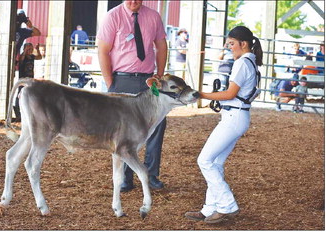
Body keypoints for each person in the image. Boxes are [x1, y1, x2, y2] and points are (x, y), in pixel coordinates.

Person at [185, 26, 263, 224]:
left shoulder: (242, 63)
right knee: (215, 162)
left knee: (204, 160)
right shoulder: (250, 63)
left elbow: (229, 94)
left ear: (242, 44)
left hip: (233, 117)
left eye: (231, 44)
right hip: (237, 116)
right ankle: (210, 209)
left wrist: (201, 94)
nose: (229, 48)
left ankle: (227, 205)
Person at [97, 0, 168, 192]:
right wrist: (111, 83)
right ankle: (125, 178)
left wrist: (159, 76)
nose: (133, 1)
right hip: (122, 79)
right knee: (123, 131)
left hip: (149, 80)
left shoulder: (153, 16)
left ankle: (152, 174)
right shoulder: (113, 16)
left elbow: (161, 46)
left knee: (158, 124)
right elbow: (103, 50)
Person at [0, 9, 40, 112]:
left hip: (11, 62)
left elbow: (37, 32)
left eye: (21, 18)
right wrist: (12, 16)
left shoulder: (22, 31)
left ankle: (4, 110)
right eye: (17, 18)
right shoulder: (4, 26)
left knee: (8, 86)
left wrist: (27, 22)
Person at [14, 43, 42, 121]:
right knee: (20, 94)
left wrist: (38, 50)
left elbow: (39, 57)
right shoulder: (23, 57)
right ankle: (18, 111)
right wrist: (25, 52)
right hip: (23, 79)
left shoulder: (31, 57)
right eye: (28, 49)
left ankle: (28, 111)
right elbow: (21, 59)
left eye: (31, 49)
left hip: (30, 79)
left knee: (30, 94)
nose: (30, 51)